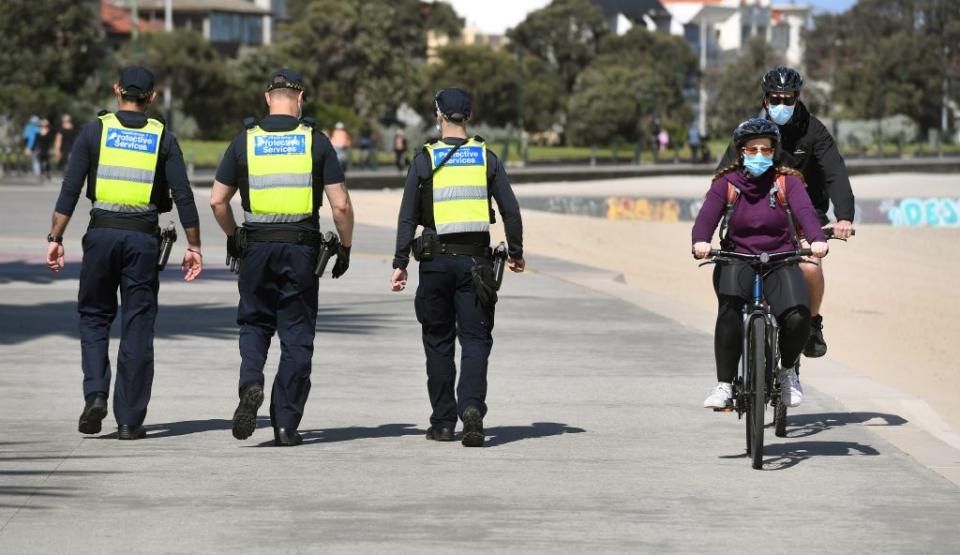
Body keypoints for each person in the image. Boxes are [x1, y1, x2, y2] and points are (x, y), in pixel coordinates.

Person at [44, 66, 203, 440]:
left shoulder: (95, 131)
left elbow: (70, 190)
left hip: (100, 236)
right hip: (143, 241)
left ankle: (96, 392)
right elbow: (183, 196)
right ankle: (129, 419)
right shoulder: (162, 136)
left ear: (117, 90)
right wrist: (193, 245)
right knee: (138, 324)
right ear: (151, 97)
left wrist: (55, 237)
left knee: (95, 317)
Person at [210, 69, 354, 447]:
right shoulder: (316, 142)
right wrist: (346, 247)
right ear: (300, 96)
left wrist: (232, 236)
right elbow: (340, 205)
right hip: (301, 248)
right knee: (297, 334)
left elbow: (217, 200)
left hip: (256, 246)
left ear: (266, 97)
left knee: (255, 323)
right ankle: (286, 425)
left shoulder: (244, 141)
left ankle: (252, 382)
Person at [390, 88, 524, 447]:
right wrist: (516, 252)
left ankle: (444, 422)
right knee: (476, 339)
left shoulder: (424, 159)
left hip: (434, 263)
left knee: (438, 342)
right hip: (476, 264)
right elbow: (510, 210)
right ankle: (472, 409)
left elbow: (407, 219)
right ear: (468, 115)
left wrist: (400, 262)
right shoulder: (486, 158)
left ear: (438, 114)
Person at [716, 66, 855, 358]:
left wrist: (844, 217)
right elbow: (725, 175)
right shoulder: (751, 130)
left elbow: (835, 174)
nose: (782, 105)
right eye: (776, 98)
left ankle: (813, 324)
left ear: (798, 98)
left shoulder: (814, 130)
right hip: (757, 212)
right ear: (765, 99)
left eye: (788, 99)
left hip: (805, 214)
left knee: (809, 266)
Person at [693, 118, 829, 410]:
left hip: (780, 259)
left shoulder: (787, 181)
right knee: (729, 311)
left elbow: (806, 214)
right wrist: (701, 241)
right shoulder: (726, 183)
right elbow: (706, 218)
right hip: (737, 258)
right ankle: (724, 385)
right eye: (752, 149)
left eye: (765, 150)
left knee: (797, 316)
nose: (758, 155)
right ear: (740, 151)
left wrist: (816, 240)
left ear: (774, 151)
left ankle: (788, 370)